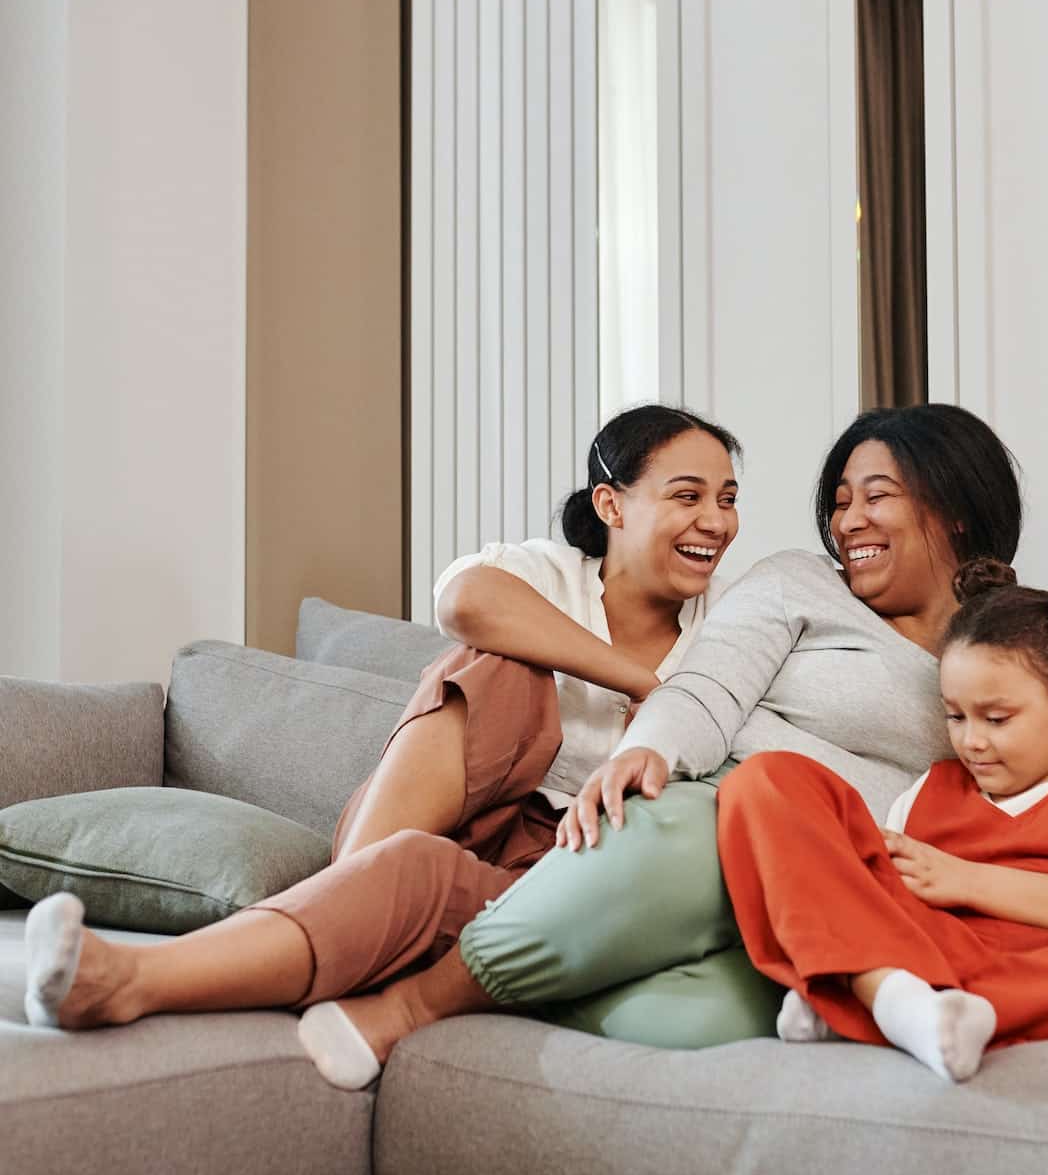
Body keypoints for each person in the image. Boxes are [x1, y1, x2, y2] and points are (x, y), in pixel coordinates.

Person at [236, 403, 1048, 1070]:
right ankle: (403, 990)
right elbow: (709, 686)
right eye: (836, 499)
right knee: (768, 787)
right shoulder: (795, 588)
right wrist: (653, 746)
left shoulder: (1028, 635)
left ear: (957, 509)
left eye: (875, 495)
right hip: (777, 840)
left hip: (923, 916)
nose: (846, 519)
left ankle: (885, 1000)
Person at [22, 405, 742, 1080]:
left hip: (553, 874)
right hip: (455, 808)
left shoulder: (730, 639)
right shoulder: (550, 576)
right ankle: (336, 900)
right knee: (499, 662)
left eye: (728, 499)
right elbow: (463, 602)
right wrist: (638, 678)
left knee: (412, 869)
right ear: (610, 505)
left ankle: (130, 980)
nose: (715, 520)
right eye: (688, 496)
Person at [717, 560, 1048, 1082]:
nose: (971, 741)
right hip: (925, 947)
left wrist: (964, 879)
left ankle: (877, 1000)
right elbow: (875, 891)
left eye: (997, 719)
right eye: (955, 715)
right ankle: (892, 997)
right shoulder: (930, 787)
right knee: (764, 780)